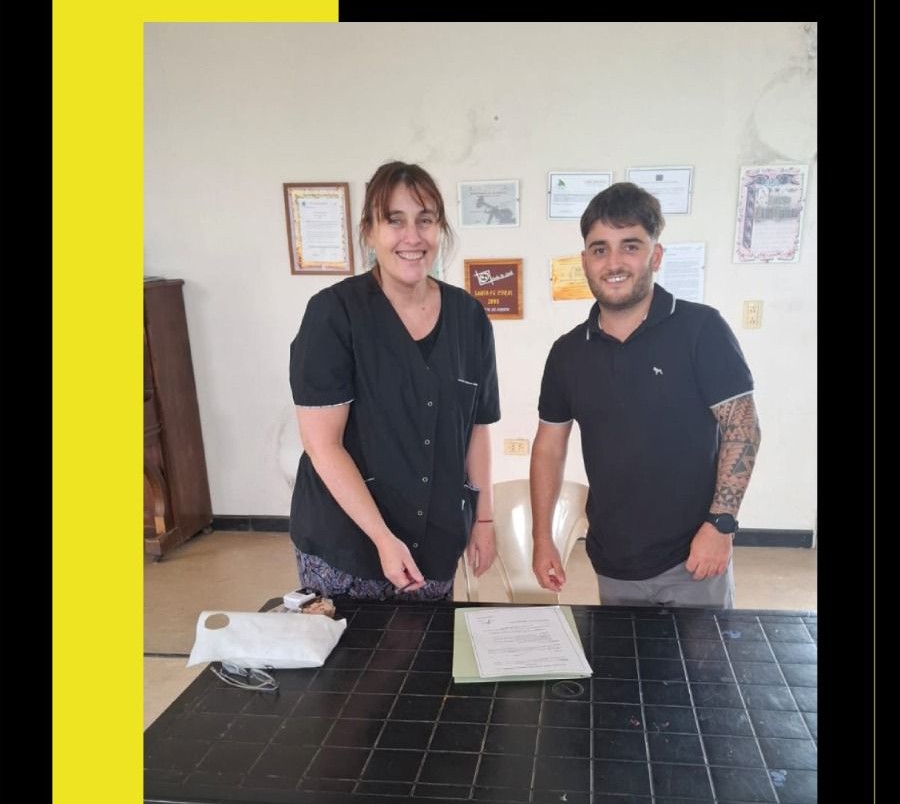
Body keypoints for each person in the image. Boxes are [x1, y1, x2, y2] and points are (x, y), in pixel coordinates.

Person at [530, 181, 761, 610]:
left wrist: (721, 524)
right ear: (585, 261)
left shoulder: (701, 330)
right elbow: (549, 447)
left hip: (694, 560)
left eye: (630, 246)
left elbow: (742, 428)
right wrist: (542, 538)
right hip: (612, 562)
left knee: (703, 659)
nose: (614, 262)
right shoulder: (567, 353)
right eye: (600, 249)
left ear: (655, 256)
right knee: (624, 657)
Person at [289, 160, 500, 601]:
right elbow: (323, 445)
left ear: (440, 229)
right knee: (354, 648)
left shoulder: (469, 317)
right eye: (395, 220)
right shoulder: (334, 314)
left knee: (428, 646)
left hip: (436, 543)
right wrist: (383, 538)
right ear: (369, 231)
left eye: (425, 220)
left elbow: (476, 427)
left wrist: (484, 520)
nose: (412, 236)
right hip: (348, 546)